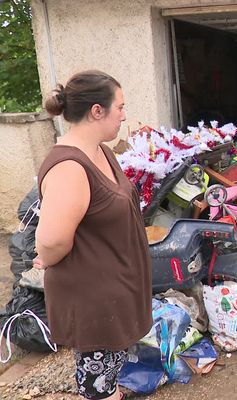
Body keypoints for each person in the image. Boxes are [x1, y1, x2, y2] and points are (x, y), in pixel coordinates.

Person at [34, 70, 152, 400]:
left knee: (107, 382)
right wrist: (47, 257)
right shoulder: (70, 167)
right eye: (120, 107)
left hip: (114, 294)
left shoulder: (100, 152)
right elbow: (52, 241)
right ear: (96, 111)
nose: (125, 114)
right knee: (97, 390)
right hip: (93, 303)